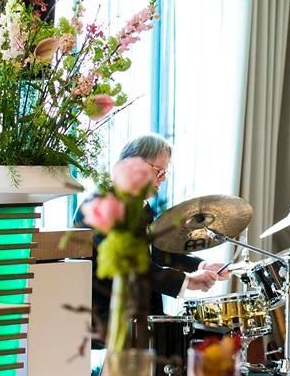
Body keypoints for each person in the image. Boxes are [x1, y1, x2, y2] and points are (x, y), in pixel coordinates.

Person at [78, 134, 228, 343]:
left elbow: (157, 250)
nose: (163, 178)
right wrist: (188, 282)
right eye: (159, 171)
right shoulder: (103, 206)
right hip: (108, 316)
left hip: (140, 314)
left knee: (211, 334)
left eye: (165, 172)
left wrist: (202, 264)